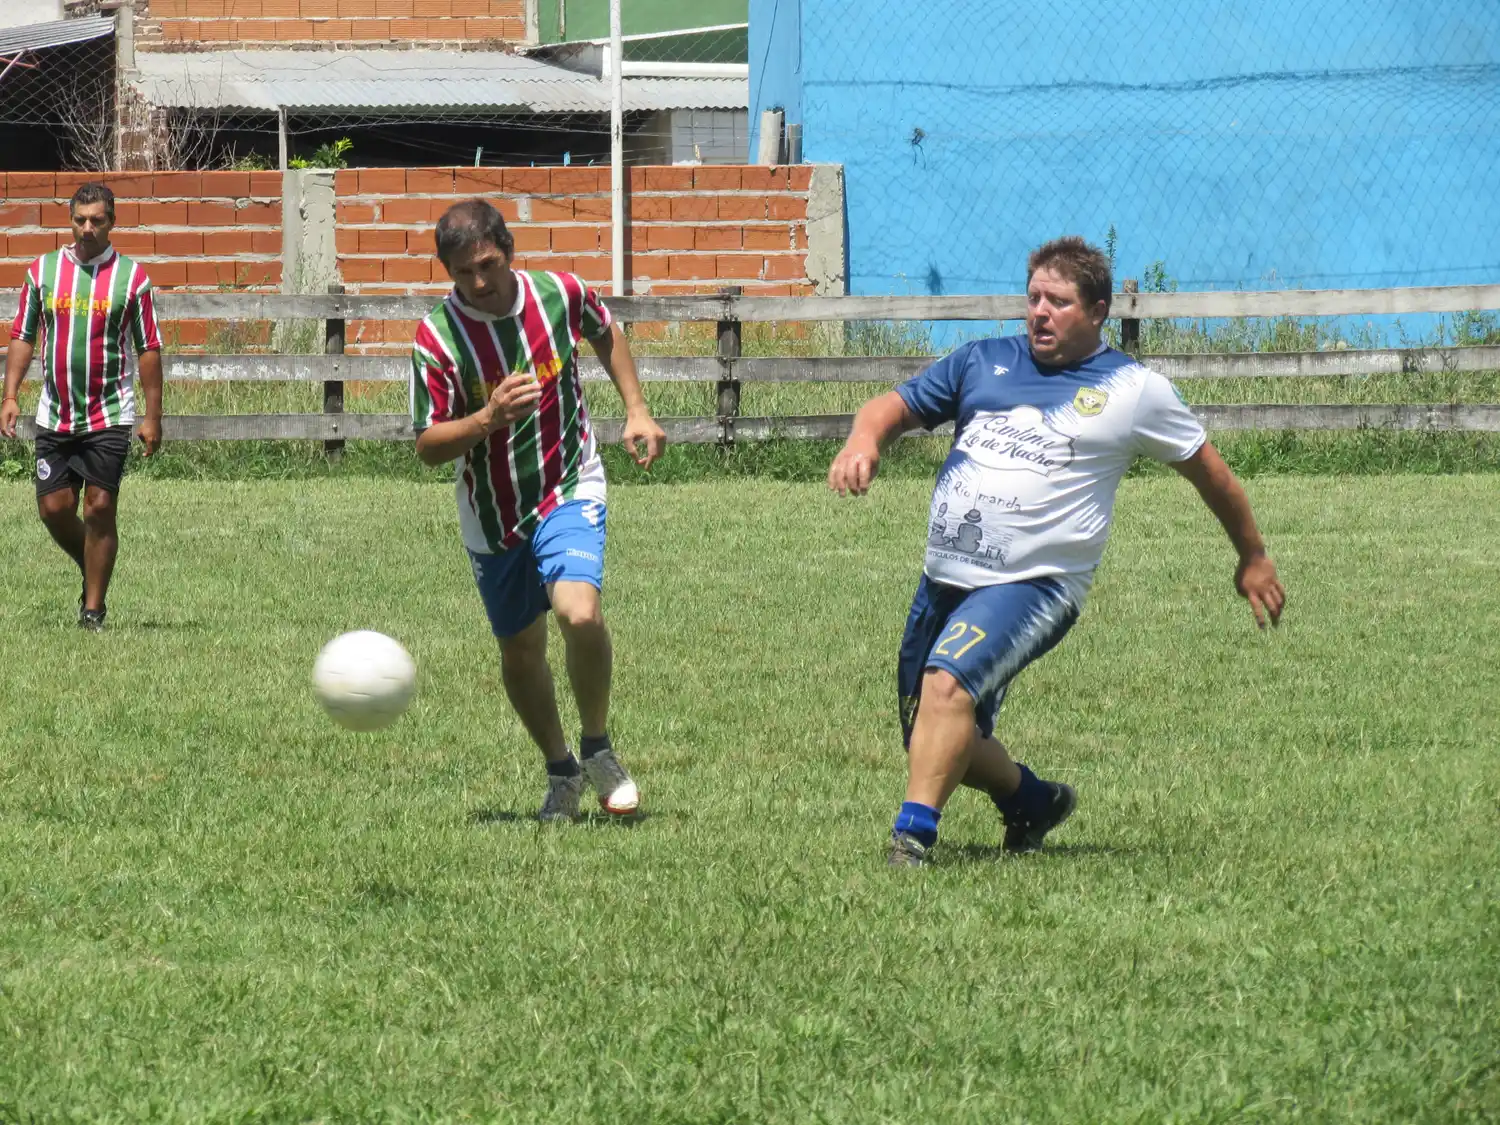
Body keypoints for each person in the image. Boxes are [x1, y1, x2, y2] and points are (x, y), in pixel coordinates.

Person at [828, 236, 1285, 867]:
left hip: (1037, 583)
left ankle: (912, 838)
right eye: (1034, 297)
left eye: (1060, 301)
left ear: (1097, 312)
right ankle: (1032, 800)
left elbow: (1213, 475)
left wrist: (1252, 555)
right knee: (933, 734)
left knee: (946, 689)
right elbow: (892, 406)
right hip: (945, 578)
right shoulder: (981, 361)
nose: (1040, 312)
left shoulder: (1133, 389)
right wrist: (863, 440)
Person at [410, 199, 667, 822]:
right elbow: (426, 446)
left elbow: (605, 330)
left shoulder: (560, 293)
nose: (478, 282)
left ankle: (599, 747)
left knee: (578, 613)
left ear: (509, 250)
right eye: (462, 272)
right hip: (492, 513)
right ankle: (562, 771)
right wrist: (486, 418)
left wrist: (636, 408)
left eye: (488, 265)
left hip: (569, 482)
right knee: (521, 652)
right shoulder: (438, 338)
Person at [1, 182, 164, 632]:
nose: (87, 228)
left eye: (97, 220)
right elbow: (23, 336)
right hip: (55, 413)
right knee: (54, 508)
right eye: (80, 219)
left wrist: (153, 416)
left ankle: (93, 610)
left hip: (110, 412)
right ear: (70, 220)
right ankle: (93, 559)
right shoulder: (43, 271)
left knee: (97, 508)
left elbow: (148, 349)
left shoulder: (133, 278)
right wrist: (11, 395)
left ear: (112, 222)